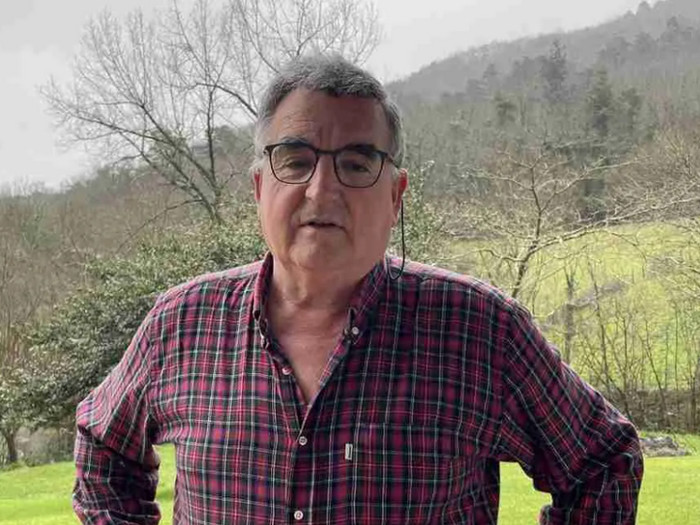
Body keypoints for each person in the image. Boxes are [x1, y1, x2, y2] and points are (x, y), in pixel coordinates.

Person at [73, 54, 643, 524]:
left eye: (355, 163)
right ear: (258, 187)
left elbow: (603, 462)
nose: (322, 189)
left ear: (395, 196)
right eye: (295, 160)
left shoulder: (482, 331)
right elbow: (103, 449)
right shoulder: (181, 323)